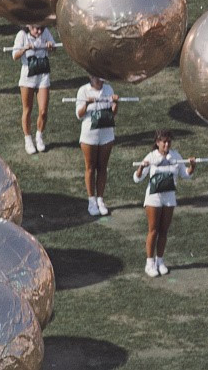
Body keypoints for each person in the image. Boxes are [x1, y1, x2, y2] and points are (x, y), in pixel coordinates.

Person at [134, 129, 196, 277]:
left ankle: (160, 261)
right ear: (157, 143)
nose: (167, 144)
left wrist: (192, 166)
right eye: (164, 142)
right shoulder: (151, 156)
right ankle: (149, 263)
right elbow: (137, 178)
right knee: (153, 230)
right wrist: (142, 167)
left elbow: (186, 175)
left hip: (169, 197)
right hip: (154, 198)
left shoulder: (175, 156)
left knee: (164, 231)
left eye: (169, 141)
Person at [75, 75, 119, 216]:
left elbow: (113, 113)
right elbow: (79, 115)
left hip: (107, 135)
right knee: (90, 167)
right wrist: (87, 104)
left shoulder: (108, 89)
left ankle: (100, 199)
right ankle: (91, 200)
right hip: (89, 135)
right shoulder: (83, 90)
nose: (100, 80)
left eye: (101, 78)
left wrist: (115, 104)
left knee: (102, 167)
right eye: (97, 78)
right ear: (91, 77)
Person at [12, 25, 56, 154]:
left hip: (43, 75)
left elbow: (54, 48)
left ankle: (39, 136)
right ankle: (28, 139)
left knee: (43, 111)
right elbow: (14, 56)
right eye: (36, 29)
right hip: (27, 76)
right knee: (28, 109)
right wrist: (25, 49)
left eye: (41, 29)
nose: (39, 32)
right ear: (29, 26)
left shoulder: (45, 32)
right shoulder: (22, 35)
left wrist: (50, 46)